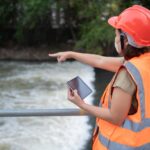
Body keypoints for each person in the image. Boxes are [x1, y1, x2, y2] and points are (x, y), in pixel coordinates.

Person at [49, 5, 150, 150]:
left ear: (125, 40)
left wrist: (82, 105)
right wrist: (72, 54)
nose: (115, 39)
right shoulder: (142, 62)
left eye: (116, 34)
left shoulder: (127, 73)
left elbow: (116, 117)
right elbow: (100, 61)